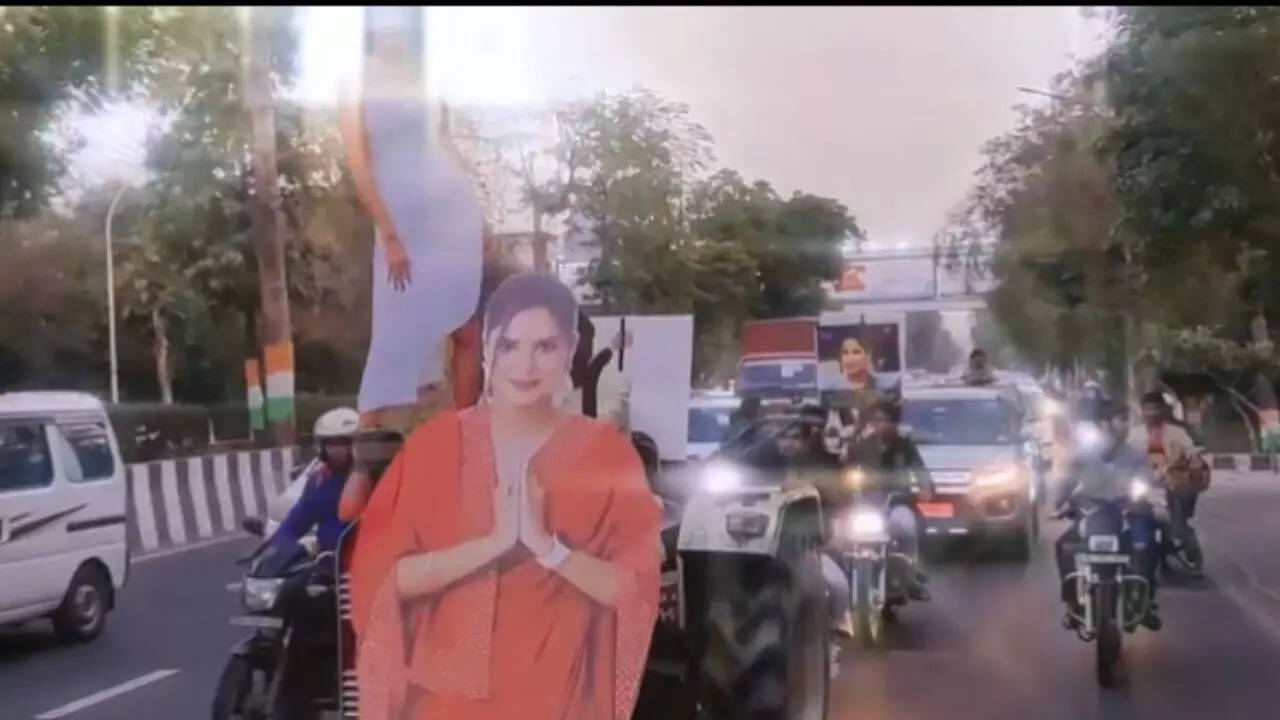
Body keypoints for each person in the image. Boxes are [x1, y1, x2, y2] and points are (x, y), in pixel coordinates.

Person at [346, 274, 661, 720]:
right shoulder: (434, 447)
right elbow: (381, 580)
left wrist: (550, 551)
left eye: (545, 347)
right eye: (509, 346)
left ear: (570, 348)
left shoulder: (608, 456)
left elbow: (635, 592)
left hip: (560, 700)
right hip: (442, 704)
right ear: (487, 348)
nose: (525, 366)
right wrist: (491, 545)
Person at [337, 6, 484, 434]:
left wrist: (477, 215)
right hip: (400, 219)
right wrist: (389, 235)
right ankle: (365, 450)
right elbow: (359, 165)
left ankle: (460, 436)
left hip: (449, 213)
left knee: (465, 329)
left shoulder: (422, 78)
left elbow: (443, 145)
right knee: (392, 336)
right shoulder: (355, 81)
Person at [1052, 399, 1162, 630]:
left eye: (1127, 420)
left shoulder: (1136, 454)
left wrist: (1141, 493)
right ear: (1104, 424)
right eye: (1121, 420)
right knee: (1065, 547)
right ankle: (1073, 605)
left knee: (1148, 543)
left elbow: (1146, 477)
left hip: (1128, 511)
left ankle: (1144, 602)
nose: (1126, 425)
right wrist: (1059, 502)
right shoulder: (1084, 454)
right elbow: (1068, 480)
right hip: (1093, 511)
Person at [844, 399, 934, 600]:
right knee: (846, 533)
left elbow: (920, 470)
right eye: (876, 420)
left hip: (897, 503)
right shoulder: (862, 446)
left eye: (885, 420)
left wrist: (925, 487)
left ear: (894, 423)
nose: (880, 425)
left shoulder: (905, 446)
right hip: (868, 505)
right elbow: (847, 469)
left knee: (905, 526)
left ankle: (912, 573)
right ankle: (850, 574)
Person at [1130, 391, 1208, 574]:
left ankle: (1193, 556)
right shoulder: (1134, 434)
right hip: (1143, 484)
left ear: (1163, 410)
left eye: (1155, 408)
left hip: (1172, 484)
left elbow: (1191, 450)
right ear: (1142, 411)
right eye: (1148, 409)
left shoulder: (1176, 432)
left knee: (1177, 525)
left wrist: (1194, 460)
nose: (1152, 413)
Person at [273, 408, 358, 554]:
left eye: (342, 443)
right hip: (327, 562)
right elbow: (294, 524)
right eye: (330, 444)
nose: (335, 451)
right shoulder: (319, 482)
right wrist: (279, 546)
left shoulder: (373, 480)